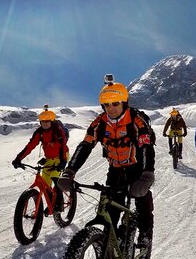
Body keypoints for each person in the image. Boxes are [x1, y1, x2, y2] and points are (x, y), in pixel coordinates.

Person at [58, 80, 155, 243]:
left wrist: (147, 175)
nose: (111, 108)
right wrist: (69, 171)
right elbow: (85, 146)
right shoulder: (99, 123)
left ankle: (146, 235)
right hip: (115, 170)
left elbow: (146, 146)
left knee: (142, 199)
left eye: (115, 103)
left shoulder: (136, 120)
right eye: (106, 104)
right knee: (111, 210)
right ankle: (110, 245)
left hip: (137, 168)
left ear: (124, 102)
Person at [11, 105, 70, 191]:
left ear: (52, 121)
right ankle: (51, 200)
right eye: (42, 121)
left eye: (47, 121)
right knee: (45, 185)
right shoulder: (39, 132)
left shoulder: (58, 130)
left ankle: (59, 199)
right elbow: (30, 146)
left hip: (62, 156)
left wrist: (63, 162)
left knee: (55, 178)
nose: (44, 123)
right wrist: (18, 159)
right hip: (49, 159)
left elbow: (63, 146)